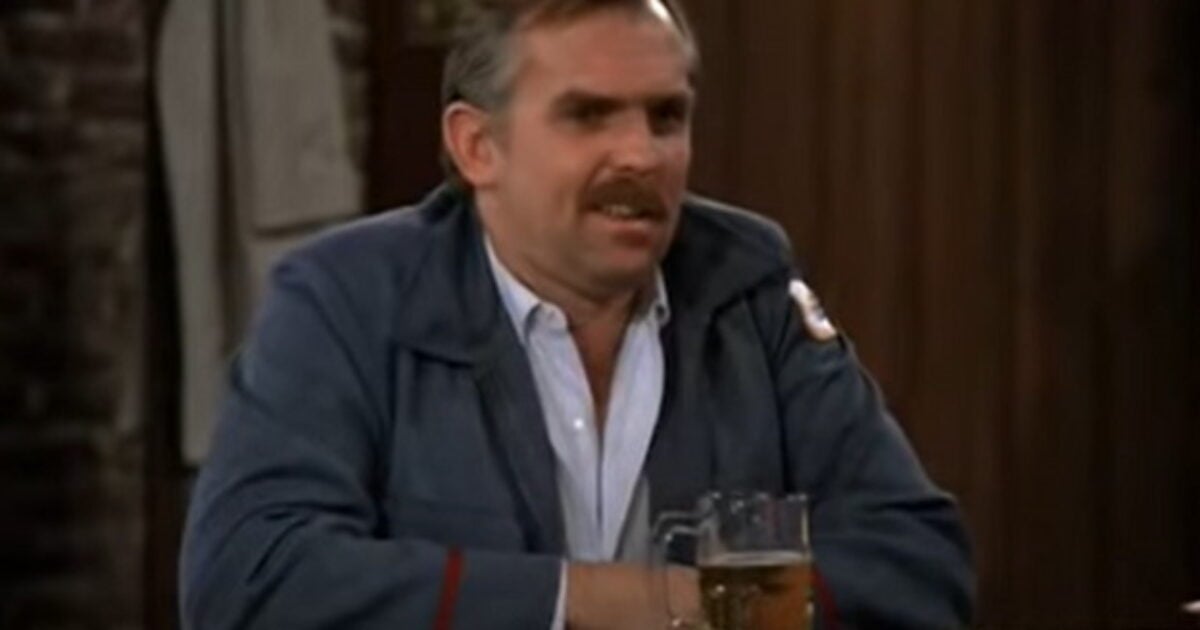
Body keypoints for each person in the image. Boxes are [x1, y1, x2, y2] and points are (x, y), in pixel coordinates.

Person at [179, 0, 974, 628]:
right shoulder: (348, 298)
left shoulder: (748, 287)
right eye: (589, 116)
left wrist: (696, 608)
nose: (641, 155)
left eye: (666, 117)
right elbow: (249, 576)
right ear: (477, 147)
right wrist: (606, 602)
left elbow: (918, 564)